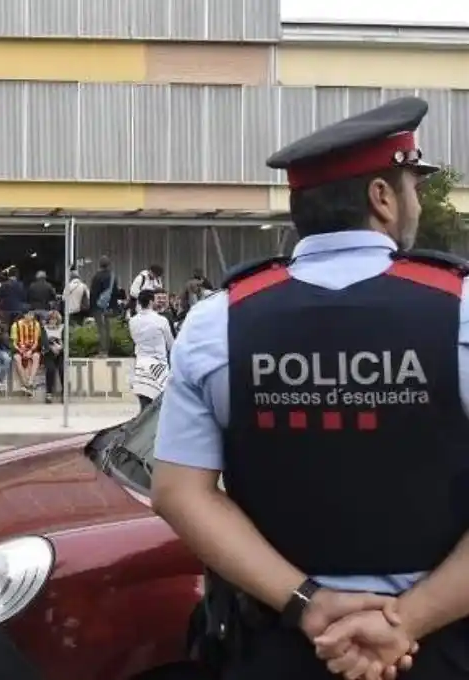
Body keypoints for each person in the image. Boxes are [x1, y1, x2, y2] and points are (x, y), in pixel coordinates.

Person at [150, 96, 465, 680]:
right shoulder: (460, 309)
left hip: (278, 648)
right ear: (381, 197)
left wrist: (309, 603)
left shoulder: (218, 320)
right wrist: (406, 622)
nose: (415, 202)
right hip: (438, 651)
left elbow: (179, 492)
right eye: (412, 186)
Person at [128, 290, 174, 411]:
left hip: (141, 363)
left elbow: (134, 339)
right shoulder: (161, 320)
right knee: (161, 403)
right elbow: (171, 344)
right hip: (159, 365)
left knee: (143, 403)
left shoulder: (132, 321)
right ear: (150, 301)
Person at [10, 312, 43, 395]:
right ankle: (25, 383)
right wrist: (21, 351)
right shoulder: (16, 325)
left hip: (32, 348)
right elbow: (14, 342)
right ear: (24, 315)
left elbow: (36, 341)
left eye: (32, 315)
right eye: (30, 314)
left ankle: (30, 382)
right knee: (17, 358)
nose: (32, 316)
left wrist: (30, 351)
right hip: (19, 348)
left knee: (36, 357)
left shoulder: (36, 324)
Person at [89, 257, 117, 356]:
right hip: (110, 307)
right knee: (108, 328)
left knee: (101, 329)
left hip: (98, 307)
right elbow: (115, 293)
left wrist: (92, 308)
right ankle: (108, 350)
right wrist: (114, 307)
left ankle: (102, 351)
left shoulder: (96, 276)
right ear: (109, 265)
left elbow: (93, 293)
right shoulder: (113, 276)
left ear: (99, 265)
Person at [41, 310, 65, 404]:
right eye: (51, 319)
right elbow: (44, 341)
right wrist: (51, 348)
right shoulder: (45, 329)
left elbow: (65, 340)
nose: (53, 321)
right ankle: (49, 393)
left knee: (63, 370)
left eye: (55, 319)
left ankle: (64, 394)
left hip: (61, 353)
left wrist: (60, 348)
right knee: (50, 369)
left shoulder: (62, 328)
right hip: (49, 353)